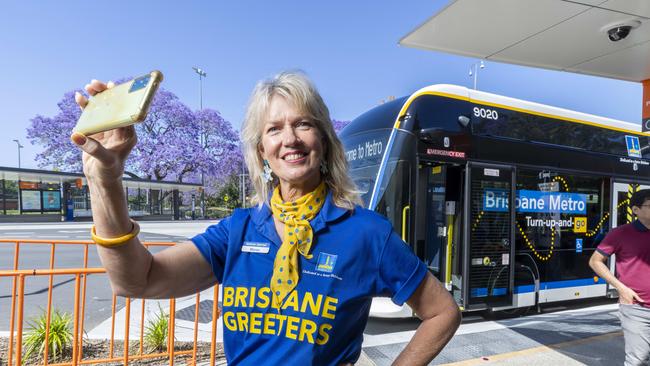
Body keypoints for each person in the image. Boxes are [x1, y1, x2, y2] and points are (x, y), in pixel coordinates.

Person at [71, 71, 461, 365]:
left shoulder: (367, 234)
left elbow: (442, 312)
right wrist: (104, 180)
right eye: (274, 129)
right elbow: (137, 280)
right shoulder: (237, 231)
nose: (289, 139)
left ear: (323, 141)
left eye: (303, 124)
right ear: (262, 152)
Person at [589, 189, 650, 366]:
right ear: (636, 210)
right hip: (637, 308)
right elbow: (595, 261)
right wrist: (621, 288)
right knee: (638, 360)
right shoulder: (620, 233)